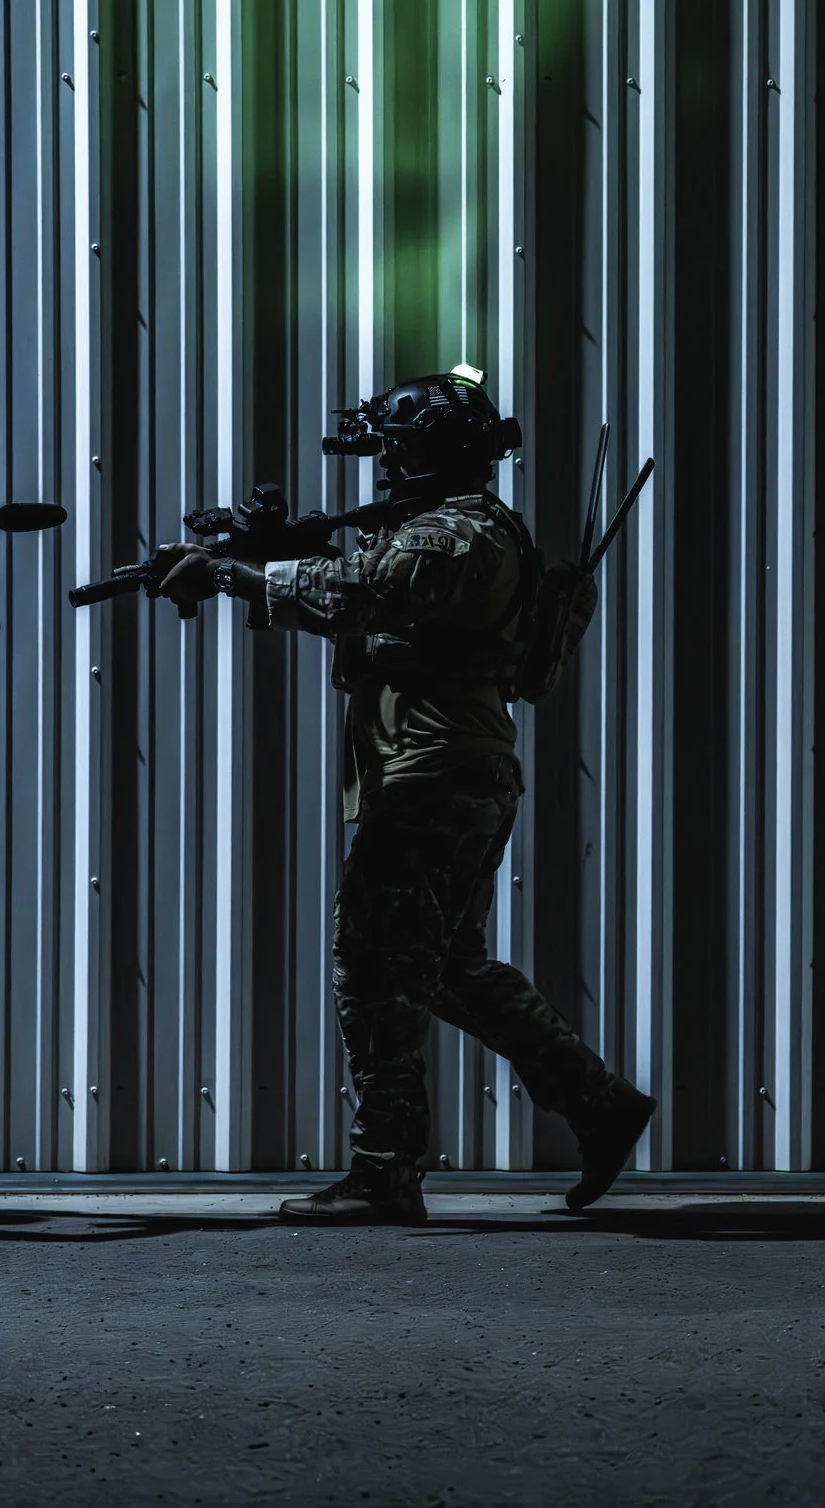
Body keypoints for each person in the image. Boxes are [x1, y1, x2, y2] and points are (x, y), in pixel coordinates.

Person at [157, 372, 655, 1224]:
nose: (389, 460)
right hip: (450, 768)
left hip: (432, 773)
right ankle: (599, 1102)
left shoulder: (459, 534)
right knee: (447, 967)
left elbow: (361, 593)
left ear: (443, 450)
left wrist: (243, 577)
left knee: (375, 964)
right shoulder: (453, 528)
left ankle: (386, 1171)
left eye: (404, 443)